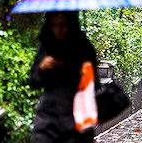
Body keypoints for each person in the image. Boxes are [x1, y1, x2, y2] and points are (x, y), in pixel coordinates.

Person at [30, 11, 100, 143]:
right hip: (48, 117)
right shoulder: (47, 47)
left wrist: (81, 71)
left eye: (63, 25)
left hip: (77, 116)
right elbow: (34, 82)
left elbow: (94, 85)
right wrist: (42, 68)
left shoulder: (84, 48)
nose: (59, 30)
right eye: (54, 25)